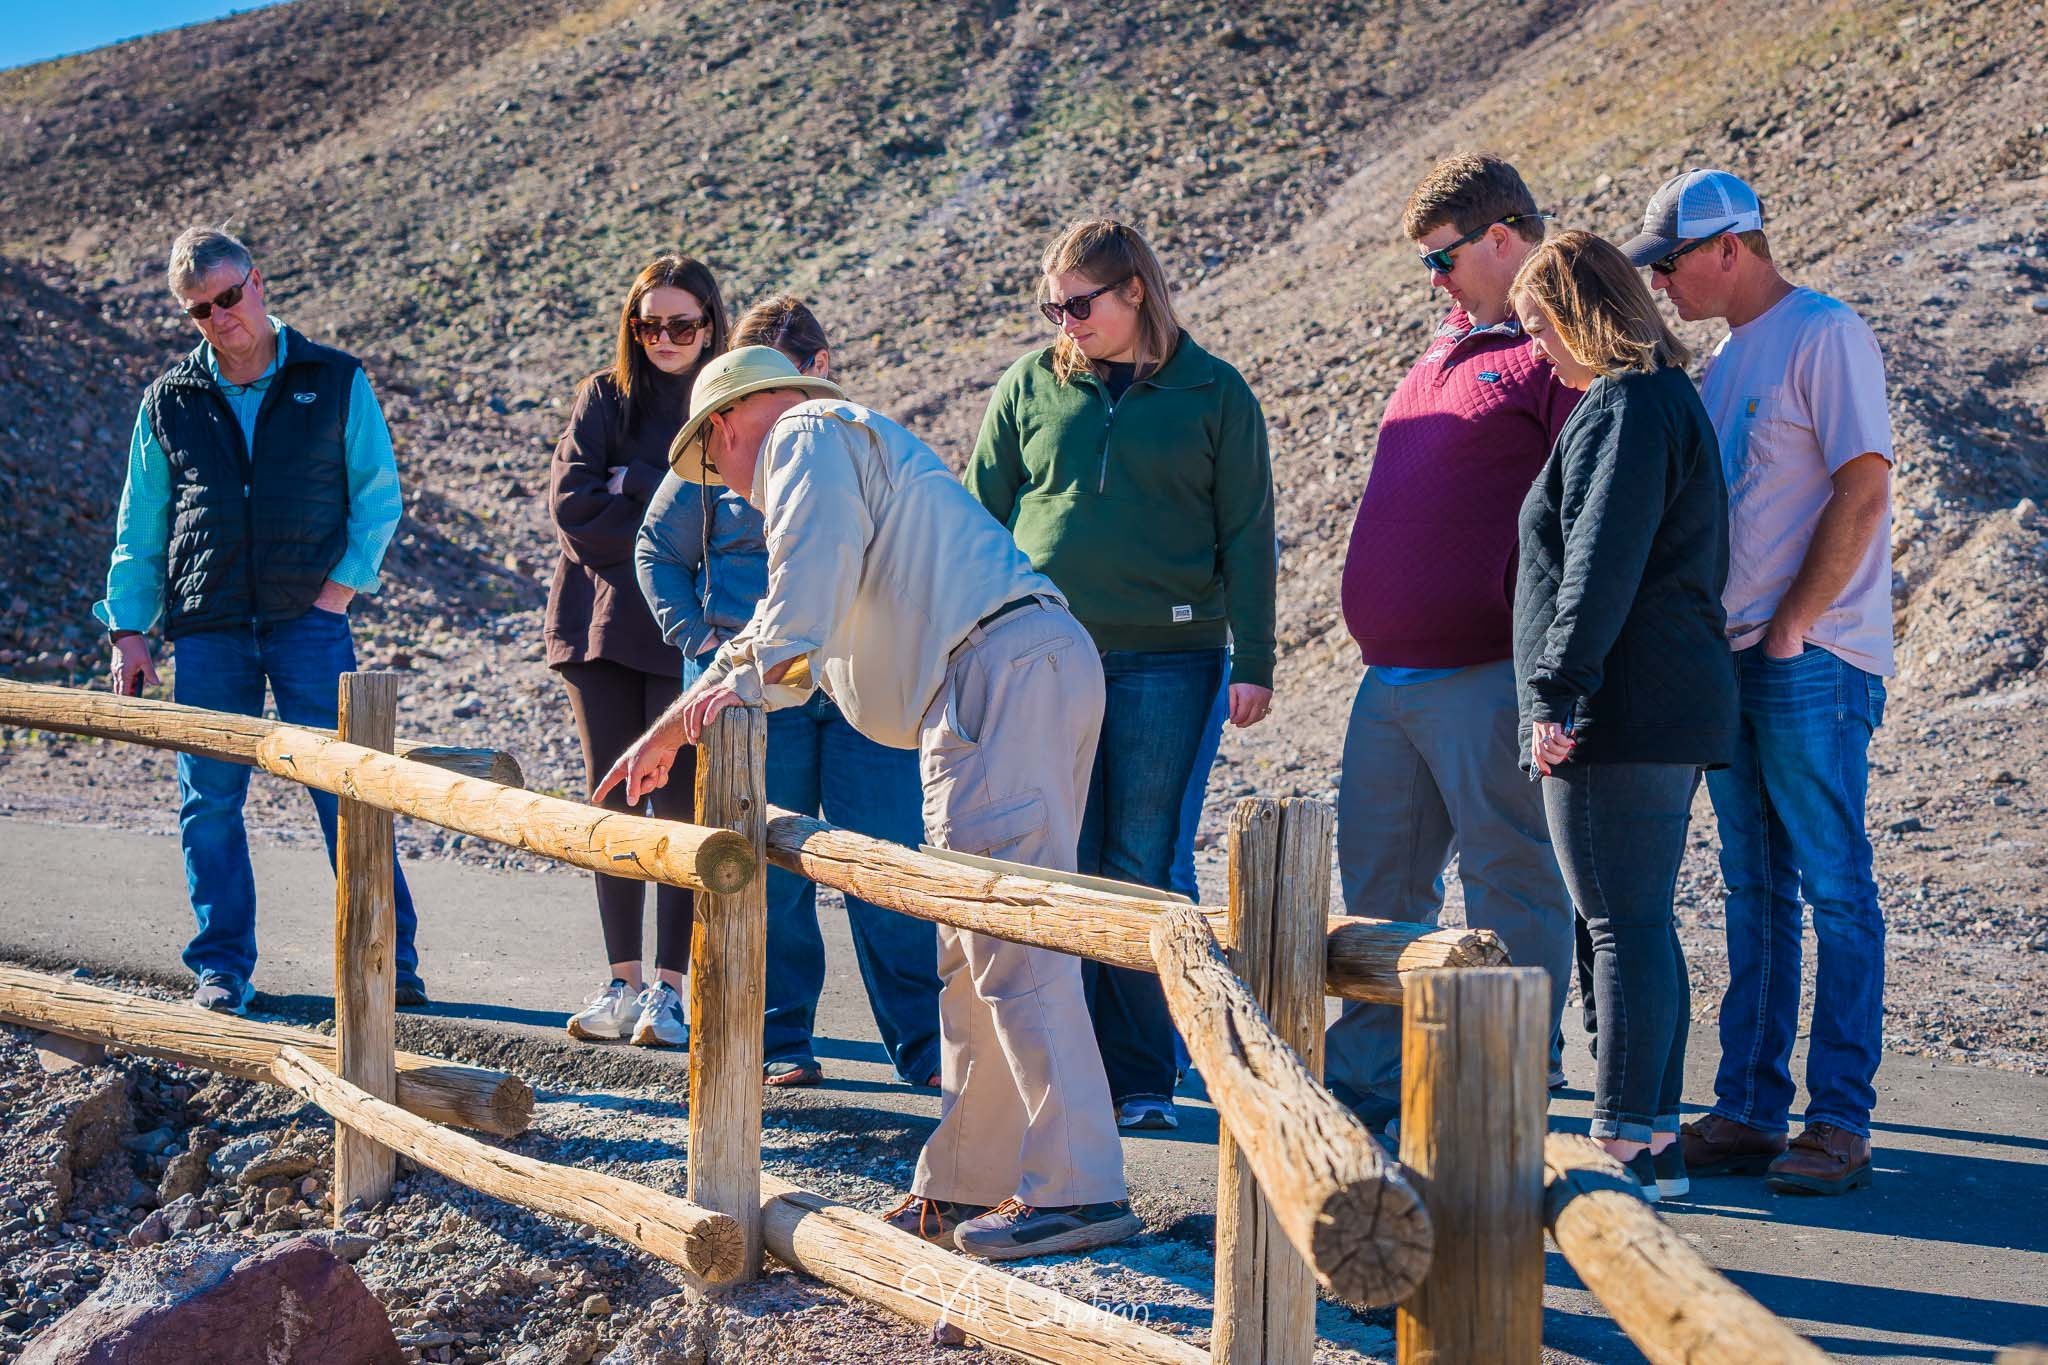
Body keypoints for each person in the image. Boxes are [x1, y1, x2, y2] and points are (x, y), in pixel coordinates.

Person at [597, 346, 1139, 1260]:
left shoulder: (802, 436)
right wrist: (683, 723)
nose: (726, 487)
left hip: (989, 677)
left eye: (711, 465)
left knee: (1007, 943)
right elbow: (811, 634)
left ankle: (1080, 1185)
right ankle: (968, 1176)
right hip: (1009, 669)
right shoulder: (849, 448)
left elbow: (795, 611)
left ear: (729, 426)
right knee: (973, 950)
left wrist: (716, 696)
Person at [964, 219, 1276, 1132]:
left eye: (1078, 302)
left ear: (1135, 289)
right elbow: (979, 516)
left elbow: (1249, 535)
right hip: (1040, 658)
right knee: (1055, 855)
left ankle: (1143, 1077)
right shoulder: (1029, 384)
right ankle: (1067, 1071)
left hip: (1171, 661)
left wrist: (1253, 661)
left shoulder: (1215, 393)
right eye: (1050, 306)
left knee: (1137, 863)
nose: (1063, 322)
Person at [1625, 169, 1896, 1196]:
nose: (1658, 284)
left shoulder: (1824, 332)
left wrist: (1790, 626)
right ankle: (1747, 1107)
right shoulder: (1731, 358)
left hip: (1806, 661)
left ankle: (1836, 1120)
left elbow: (1862, 487)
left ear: (1730, 246)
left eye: (1669, 262)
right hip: (1731, 659)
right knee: (1753, 889)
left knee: (1831, 886)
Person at [97, 227, 426, 1014]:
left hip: (309, 624)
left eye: (227, 296)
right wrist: (129, 628)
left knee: (348, 790)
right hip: (208, 631)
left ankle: (390, 960)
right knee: (208, 799)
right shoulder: (168, 400)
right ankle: (221, 968)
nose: (219, 317)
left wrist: (336, 596)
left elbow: (377, 496)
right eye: (199, 308)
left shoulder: (334, 377)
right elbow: (140, 525)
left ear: (258, 282)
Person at [1324, 154, 1579, 1129]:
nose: (1432, 279)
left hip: (1485, 670)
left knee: (1506, 876)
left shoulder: (1550, 355)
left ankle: (1509, 1071)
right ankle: (1366, 1086)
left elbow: (1585, 508)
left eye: (1442, 260)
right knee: (1380, 883)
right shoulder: (1444, 348)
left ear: (1503, 240)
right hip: (1387, 677)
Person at [635, 296, 942, 1088]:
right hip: (758, 692)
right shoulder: (712, 460)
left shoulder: (843, 438)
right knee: (769, 867)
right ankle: (780, 1042)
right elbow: (653, 548)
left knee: (887, 862)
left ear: (818, 371)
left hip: (853, 690)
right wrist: (698, 639)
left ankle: (927, 1050)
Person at [1508, 229, 1737, 1201]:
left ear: (1576, 314)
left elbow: (1598, 560)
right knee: (1637, 922)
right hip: (1658, 699)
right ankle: (1651, 1140)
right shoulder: (1658, 401)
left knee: (1615, 925)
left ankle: (1619, 1148)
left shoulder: (1623, 407)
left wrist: (1556, 690)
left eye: (1537, 327)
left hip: (1619, 703)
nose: (1534, 352)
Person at [550, 255, 729, 1049]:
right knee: (612, 795)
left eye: (681, 324)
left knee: (682, 804)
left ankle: (673, 989)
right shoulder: (603, 397)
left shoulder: (723, 405)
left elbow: (729, 520)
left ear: (711, 325)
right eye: (649, 323)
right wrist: (663, 518)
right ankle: (621, 983)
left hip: (687, 632)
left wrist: (634, 485)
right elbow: (572, 510)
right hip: (602, 627)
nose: (665, 337)